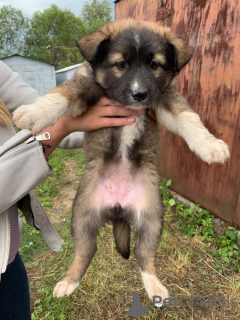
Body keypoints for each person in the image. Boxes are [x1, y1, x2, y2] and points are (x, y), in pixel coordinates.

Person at [0, 60, 143, 320]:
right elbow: (59, 124)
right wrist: (61, 127)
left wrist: (120, 119)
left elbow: (45, 111)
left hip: (6, 259)